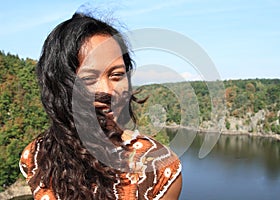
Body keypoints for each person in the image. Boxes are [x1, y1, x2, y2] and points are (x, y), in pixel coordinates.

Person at [19, 12, 182, 200]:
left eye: (116, 75)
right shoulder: (36, 157)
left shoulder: (158, 168)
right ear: (59, 85)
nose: (108, 91)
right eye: (88, 79)